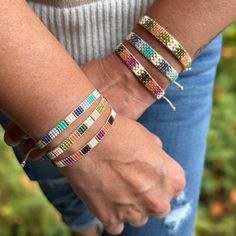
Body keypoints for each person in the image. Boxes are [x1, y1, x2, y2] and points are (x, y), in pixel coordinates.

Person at [0, 0, 235, 236]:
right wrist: (73, 121)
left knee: (156, 221)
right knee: (75, 210)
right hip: (20, 59)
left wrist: (136, 71)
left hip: (179, 29)